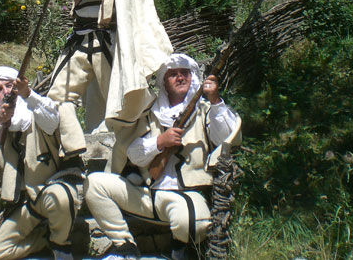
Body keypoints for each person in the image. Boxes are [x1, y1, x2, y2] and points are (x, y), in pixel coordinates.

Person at [84, 54, 242, 260]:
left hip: (186, 195)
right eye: (173, 74)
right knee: (94, 183)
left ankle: (180, 246)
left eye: (184, 73)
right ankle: (124, 245)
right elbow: (134, 153)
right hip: (145, 194)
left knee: (196, 222)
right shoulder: (149, 114)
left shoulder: (205, 110)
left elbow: (227, 139)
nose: (180, 78)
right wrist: (161, 142)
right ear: (164, 83)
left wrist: (215, 101)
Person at [47, 0, 173, 161]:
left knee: (119, 105)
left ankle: (126, 159)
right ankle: (74, 151)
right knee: (57, 95)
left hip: (107, 39)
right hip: (80, 38)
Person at [0, 66, 80, 260]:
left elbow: (52, 121)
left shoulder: (35, 108)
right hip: (22, 202)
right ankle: (45, 239)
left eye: (9, 86)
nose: (5, 92)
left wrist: (28, 95)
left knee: (61, 197)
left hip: (48, 190)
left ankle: (61, 244)